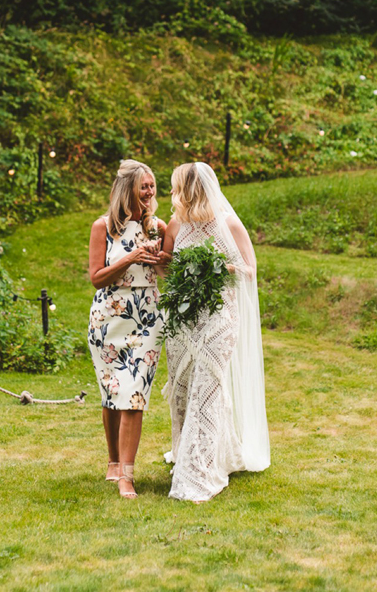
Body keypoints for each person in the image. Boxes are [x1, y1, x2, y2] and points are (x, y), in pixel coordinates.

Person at [160, 162, 270, 502]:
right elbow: (167, 266)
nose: (173, 191)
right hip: (184, 320)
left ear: (189, 187)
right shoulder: (176, 223)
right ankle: (194, 450)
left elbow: (250, 270)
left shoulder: (228, 223)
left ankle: (199, 469)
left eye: (177, 185)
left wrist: (223, 266)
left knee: (207, 386)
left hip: (220, 318)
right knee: (182, 389)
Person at [87, 159, 166, 499]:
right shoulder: (102, 227)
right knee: (112, 393)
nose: (149, 192)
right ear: (127, 190)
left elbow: (166, 273)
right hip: (108, 317)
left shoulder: (158, 228)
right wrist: (130, 257)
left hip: (148, 316)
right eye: (143, 186)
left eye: (152, 186)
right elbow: (96, 278)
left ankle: (126, 476)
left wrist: (163, 260)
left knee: (133, 394)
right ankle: (113, 461)